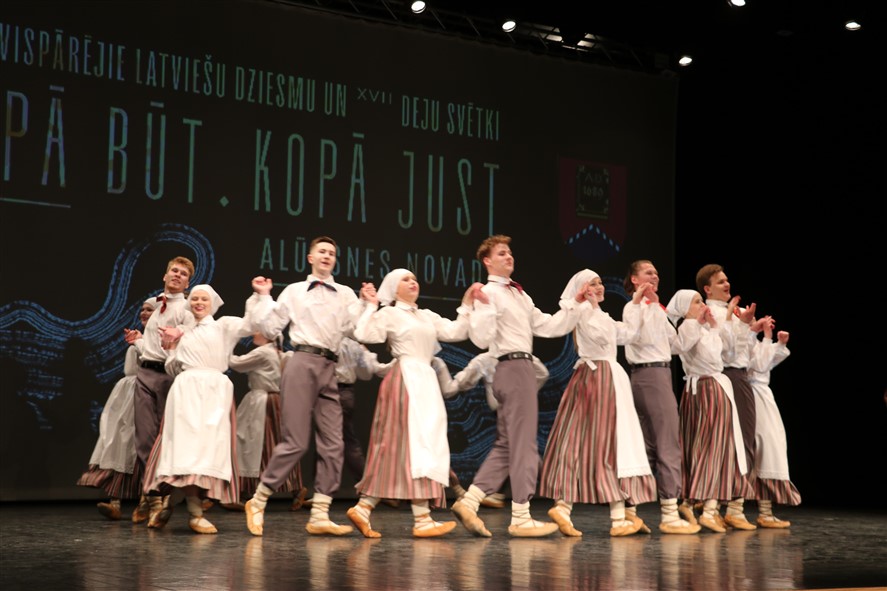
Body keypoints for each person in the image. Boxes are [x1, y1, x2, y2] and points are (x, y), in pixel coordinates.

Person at [451, 235, 586, 538]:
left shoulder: (520, 295)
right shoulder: (488, 293)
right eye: (502, 253)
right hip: (512, 367)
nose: (509, 256)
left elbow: (548, 326)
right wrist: (484, 307)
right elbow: (481, 339)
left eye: (510, 252)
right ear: (487, 261)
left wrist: (575, 305)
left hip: (517, 368)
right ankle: (521, 515)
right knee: (524, 443)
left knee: (507, 444)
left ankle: (470, 502)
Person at [243, 236, 375, 537]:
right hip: (302, 361)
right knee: (296, 441)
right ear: (311, 258)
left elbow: (356, 329)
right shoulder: (294, 290)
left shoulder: (345, 294)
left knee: (333, 442)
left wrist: (367, 304)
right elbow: (270, 327)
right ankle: (258, 500)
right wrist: (264, 297)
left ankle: (320, 514)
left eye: (332, 253)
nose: (327, 256)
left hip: (330, 367)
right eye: (322, 252)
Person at [346, 268, 484, 538]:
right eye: (405, 280)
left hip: (425, 381)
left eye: (414, 279)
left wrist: (467, 305)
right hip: (406, 379)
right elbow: (363, 333)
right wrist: (371, 306)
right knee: (409, 446)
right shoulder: (390, 313)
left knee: (422, 447)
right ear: (393, 288)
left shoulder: (426, 315)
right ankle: (419, 518)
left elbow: (456, 331)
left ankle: (372, 510)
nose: (413, 283)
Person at [539, 269, 664, 537]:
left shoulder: (600, 315)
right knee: (601, 443)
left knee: (602, 443)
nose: (599, 287)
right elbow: (574, 331)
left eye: (600, 283)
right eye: (592, 284)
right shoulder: (583, 312)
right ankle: (609, 517)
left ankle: (575, 509)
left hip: (609, 378)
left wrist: (635, 303)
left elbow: (628, 335)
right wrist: (581, 303)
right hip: (598, 379)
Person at [142, 284, 252, 534]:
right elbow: (173, 368)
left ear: (212, 303)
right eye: (194, 299)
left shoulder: (223, 326)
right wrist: (171, 347)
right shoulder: (184, 332)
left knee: (208, 451)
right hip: (187, 390)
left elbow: (251, 325)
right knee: (186, 449)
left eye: (204, 299)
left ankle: (174, 501)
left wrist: (261, 296)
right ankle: (195, 513)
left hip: (215, 392)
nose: (198, 303)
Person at [665, 289, 754, 533]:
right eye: (697, 302)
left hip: (706, 388)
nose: (703, 305)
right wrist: (707, 325)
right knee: (712, 448)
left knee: (707, 447)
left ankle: (694, 503)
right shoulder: (689, 327)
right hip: (707, 389)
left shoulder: (702, 328)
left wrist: (718, 325)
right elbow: (704, 354)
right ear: (685, 309)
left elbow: (728, 353)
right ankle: (707, 509)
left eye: (702, 301)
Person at [622, 260, 699, 534]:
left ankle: (629, 511)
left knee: (649, 445)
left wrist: (692, 321)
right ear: (634, 279)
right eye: (648, 272)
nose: (655, 276)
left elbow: (676, 345)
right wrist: (647, 305)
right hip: (650, 375)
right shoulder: (634, 308)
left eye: (656, 272)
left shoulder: (656, 309)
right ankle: (669, 513)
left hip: (658, 374)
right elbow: (636, 337)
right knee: (667, 442)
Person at [123, 256, 195, 525]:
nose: (177, 275)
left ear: (187, 283)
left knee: (164, 439)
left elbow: (192, 336)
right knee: (144, 438)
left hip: (168, 377)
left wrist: (181, 334)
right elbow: (152, 347)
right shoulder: (155, 306)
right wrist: (138, 341)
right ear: (165, 276)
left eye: (183, 274)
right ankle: (151, 496)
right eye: (174, 271)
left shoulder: (186, 308)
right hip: (145, 373)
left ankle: (158, 495)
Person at [695, 264, 765, 530]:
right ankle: (725, 504)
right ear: (707, 288)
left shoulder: (736, 311)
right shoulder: (711, 312)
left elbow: (747, 352)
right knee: (733, 440)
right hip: (727, 376)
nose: (727, 285)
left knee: (743, 439)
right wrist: (743, 326)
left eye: (727, 280)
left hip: (740, 375)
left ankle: (733, 505)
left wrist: (751, 329)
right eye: (720, 282)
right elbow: (725, 350)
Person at [77, 298, 157, 519]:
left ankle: (147, 503)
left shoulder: (156, 341)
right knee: (120, 442)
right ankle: (115, 502)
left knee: (142, 446)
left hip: (147, 392)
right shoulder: (139, 338)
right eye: (142, 309)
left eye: (149, 310)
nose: (144, 313)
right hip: (128, 393)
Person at [225, 333, 306, 511]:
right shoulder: (279, 353)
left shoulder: (263, 352)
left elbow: (235, 363)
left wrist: (226, 342)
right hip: (276, 400)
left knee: (255, 445)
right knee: (275, 444)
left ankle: (246, 490)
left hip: (263, 401)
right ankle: (293, 487)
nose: (253, 334)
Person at [748, 325, 800, 527]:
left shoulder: (756, 343)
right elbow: (760, 364)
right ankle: (727, 509)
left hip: (762, 395)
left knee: (769, 449)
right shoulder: (743, 341)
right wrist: (769, 338)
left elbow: (768, 361)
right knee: (760, 448)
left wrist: (780, 344)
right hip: (751, 394)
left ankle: (766, 511)